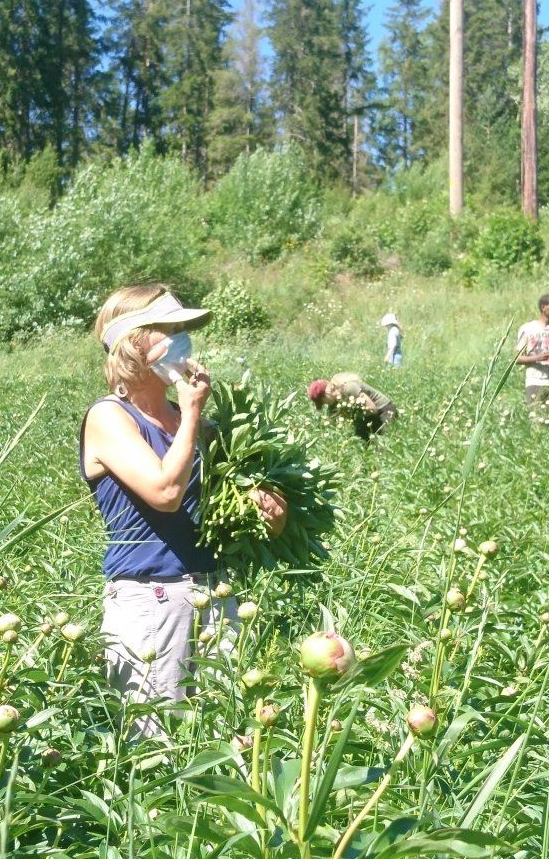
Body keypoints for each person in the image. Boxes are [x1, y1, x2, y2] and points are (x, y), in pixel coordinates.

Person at [81, 284, 285, 739]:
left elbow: (248, 514)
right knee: (156, 745)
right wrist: (192, 412)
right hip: (148, 595)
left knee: (228, 736)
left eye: (183, 329)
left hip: (214, 591)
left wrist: (267, 506)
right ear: (134, 343)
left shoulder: (197, 423)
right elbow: (165, 491)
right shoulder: (109, 417)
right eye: (169, 329)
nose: (183, 340)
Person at [515, 294, 549, 424]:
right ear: (543, 307)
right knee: (536, 421)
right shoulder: (527, 329)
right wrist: (538, 358)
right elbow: (516, 359)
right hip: (534, 381)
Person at [308, 372, 399, 440]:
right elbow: (333, 425)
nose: (325, 405)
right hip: (368, 415)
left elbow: (372, 409)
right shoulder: (333, 404)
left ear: (326, 394)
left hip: (384, 410)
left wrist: (353, 415)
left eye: (323, 402)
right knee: (361, 440)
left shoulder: (349, 388)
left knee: (383, 441)